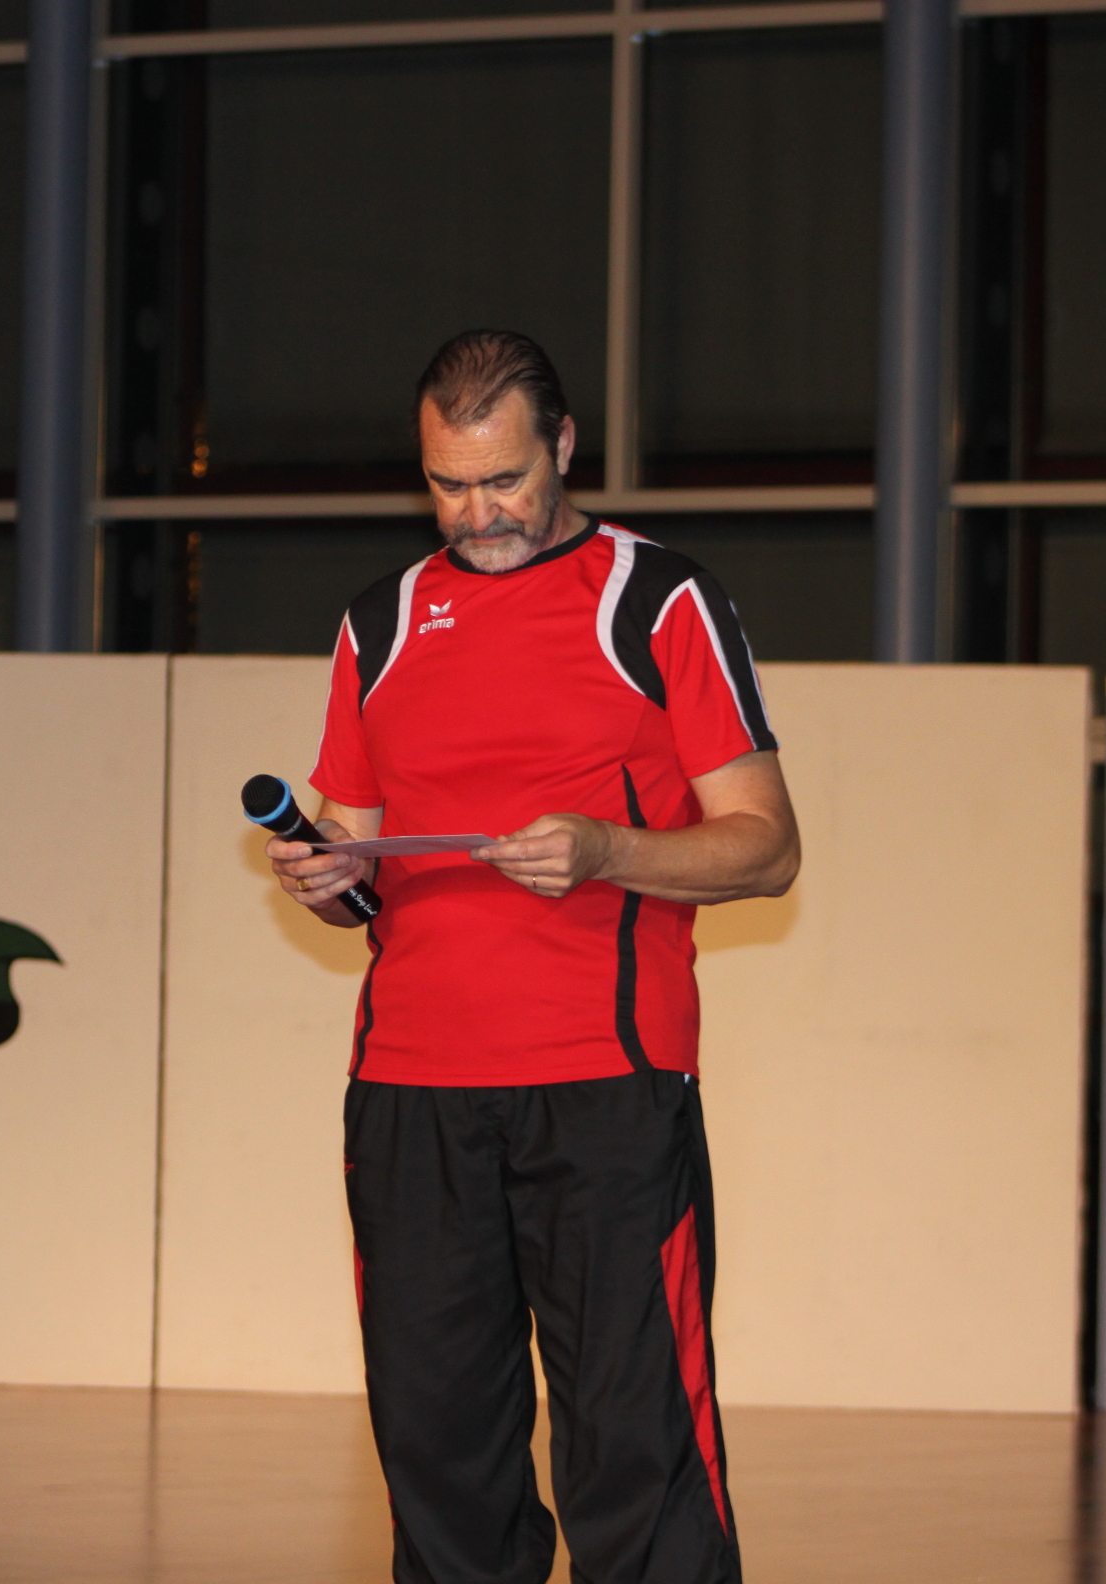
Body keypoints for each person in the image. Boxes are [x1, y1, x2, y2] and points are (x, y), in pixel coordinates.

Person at [267, 330, 800, 1584]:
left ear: (563, 446)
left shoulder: (658, 599)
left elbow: (768, 848)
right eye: (448, 485)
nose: (478, 513)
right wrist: (331, 878)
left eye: (503, 479)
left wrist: (610, 851)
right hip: (409, 1094)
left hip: (607, 1090)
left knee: (636, 1449)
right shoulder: (382, 621)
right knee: (438, 1455)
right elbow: (359, 856)